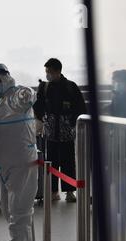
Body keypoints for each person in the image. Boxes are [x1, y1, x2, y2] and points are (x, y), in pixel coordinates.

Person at [0, 64, 38, 241]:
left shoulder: (16, 96)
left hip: (21, 160)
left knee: (20, 207)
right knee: (8, 208)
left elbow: (27, 97)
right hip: (1, 162)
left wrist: (26, 93)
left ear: (6, 78)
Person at [33, 58, 86, 202]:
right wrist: (41, 118)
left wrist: (71, 121)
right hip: (50, 133)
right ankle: (53, 191)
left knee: (68, 161)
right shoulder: (44, 88)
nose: (47, 74)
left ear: (58, 71)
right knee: (51, 162)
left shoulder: (70, 87)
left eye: (49, 72)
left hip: (66, 132)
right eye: (46, 72)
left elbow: (80, 107)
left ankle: (69, 192)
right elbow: (38, 107)